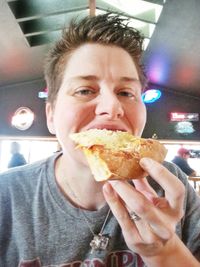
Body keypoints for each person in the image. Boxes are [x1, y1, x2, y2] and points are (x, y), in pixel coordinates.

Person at [0, 13, 199, 267]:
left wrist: (166, 253)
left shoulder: (169, 188)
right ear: (51, 115)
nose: (112, 107)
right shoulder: (7, 196)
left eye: (126, 92)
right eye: (84, 90)